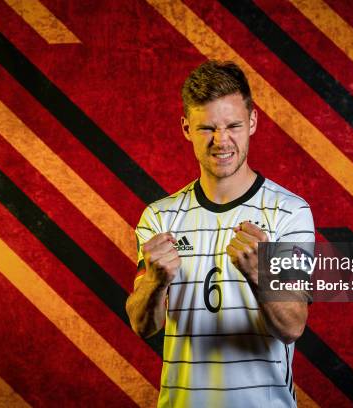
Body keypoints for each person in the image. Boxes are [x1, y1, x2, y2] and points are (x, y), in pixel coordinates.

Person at [126, 60, 314, 407]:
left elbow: (293, 326)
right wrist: (154, 282)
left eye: (233, 125)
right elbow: (142, 325)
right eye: (206, 128)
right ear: (185, 128)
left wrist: (260, 275)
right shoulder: (160, 216)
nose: (221, 140)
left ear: (253, 122)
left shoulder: (289, 212)